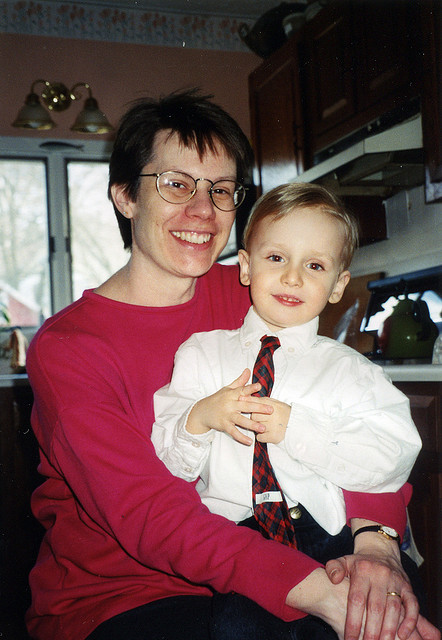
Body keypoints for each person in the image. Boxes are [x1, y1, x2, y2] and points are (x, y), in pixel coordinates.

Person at [25, 90, 439, 640]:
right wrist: (322, 594)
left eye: (220, 190)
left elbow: (349, 416)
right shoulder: (68, 347)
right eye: (176, 184)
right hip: (125, 595)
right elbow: (149, 514)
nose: (203, 210)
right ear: (125, 196)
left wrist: (377, 546)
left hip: (281, 560)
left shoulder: (264, 291)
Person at [151, 182, 424, 637]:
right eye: (277, 258)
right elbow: (168, 465)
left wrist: (297, 430)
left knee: (384, 618)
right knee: (235, 629)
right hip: (244, 544)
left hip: (330, 536)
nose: (293, 278)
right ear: (245, 267)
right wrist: (200, 418)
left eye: (314, 265)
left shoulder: (354, 372)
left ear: (338, 285)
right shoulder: (200, 355)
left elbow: (393, 457)